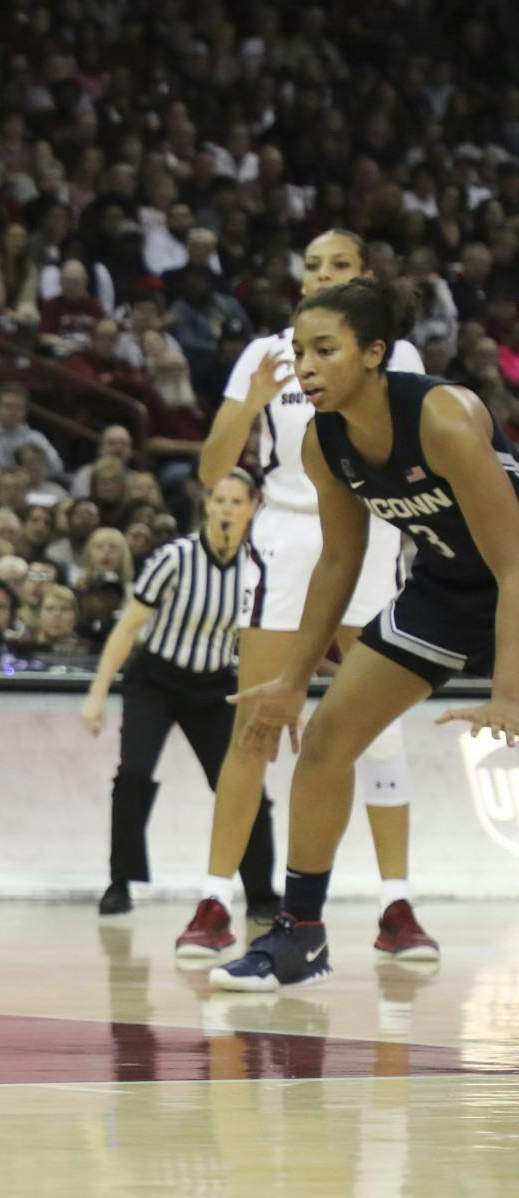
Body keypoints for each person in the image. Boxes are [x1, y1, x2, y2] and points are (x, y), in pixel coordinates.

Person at [214, 280, 519, 991]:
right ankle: (300, 936)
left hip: (513, 579)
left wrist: (508, 691)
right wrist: (292, 678)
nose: (306, 367)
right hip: (447, 591)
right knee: (325, 742)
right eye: (298, 352)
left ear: (376, 353)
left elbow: (513, 561)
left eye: (325, 350)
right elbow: (341, 560)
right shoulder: (325, 443)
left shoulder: (441, 417)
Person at [188, 230, 435, 957]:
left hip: (374, 532)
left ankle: (397, 907)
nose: (322, 276)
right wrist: (253, 401)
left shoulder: (397, 353)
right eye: (313, 267)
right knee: (256, 722)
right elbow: (210, 468)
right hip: (288, 537)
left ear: (365, 278)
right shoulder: (265, 354)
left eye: (339, 266)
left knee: (376, 728)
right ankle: (213, 898)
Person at [80, 474, 276, 929]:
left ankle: (262, 892)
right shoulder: (174, 558)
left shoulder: (260, 567)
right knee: (132, 775)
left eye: (236, 502)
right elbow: (128, 627)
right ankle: (120, 883)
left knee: (244, 788)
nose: (227, 509)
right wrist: (97, 694)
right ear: (207, 507)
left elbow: (261, 641)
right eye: (220, 501)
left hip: (214, 687)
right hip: (156, 680)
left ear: (252, 508)